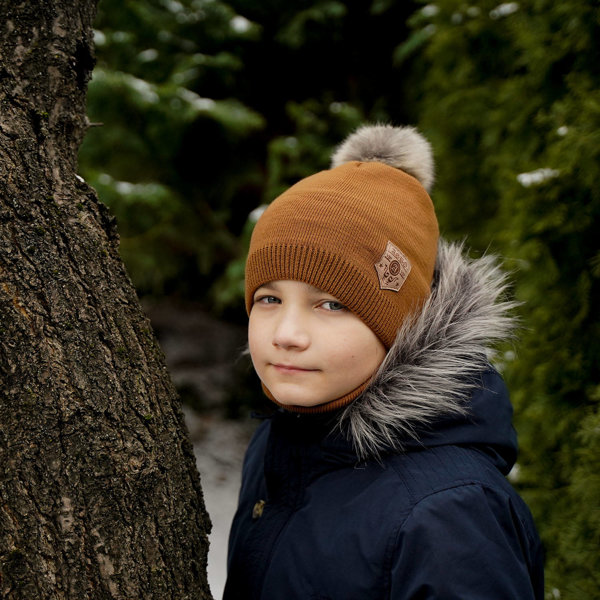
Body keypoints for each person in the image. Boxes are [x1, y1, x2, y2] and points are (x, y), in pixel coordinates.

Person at [223, 124, 544, 599]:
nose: (286, 335)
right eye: (269, 299)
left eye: (332, 304)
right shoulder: (281, 442)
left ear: (401, 322)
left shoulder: (449, 515)